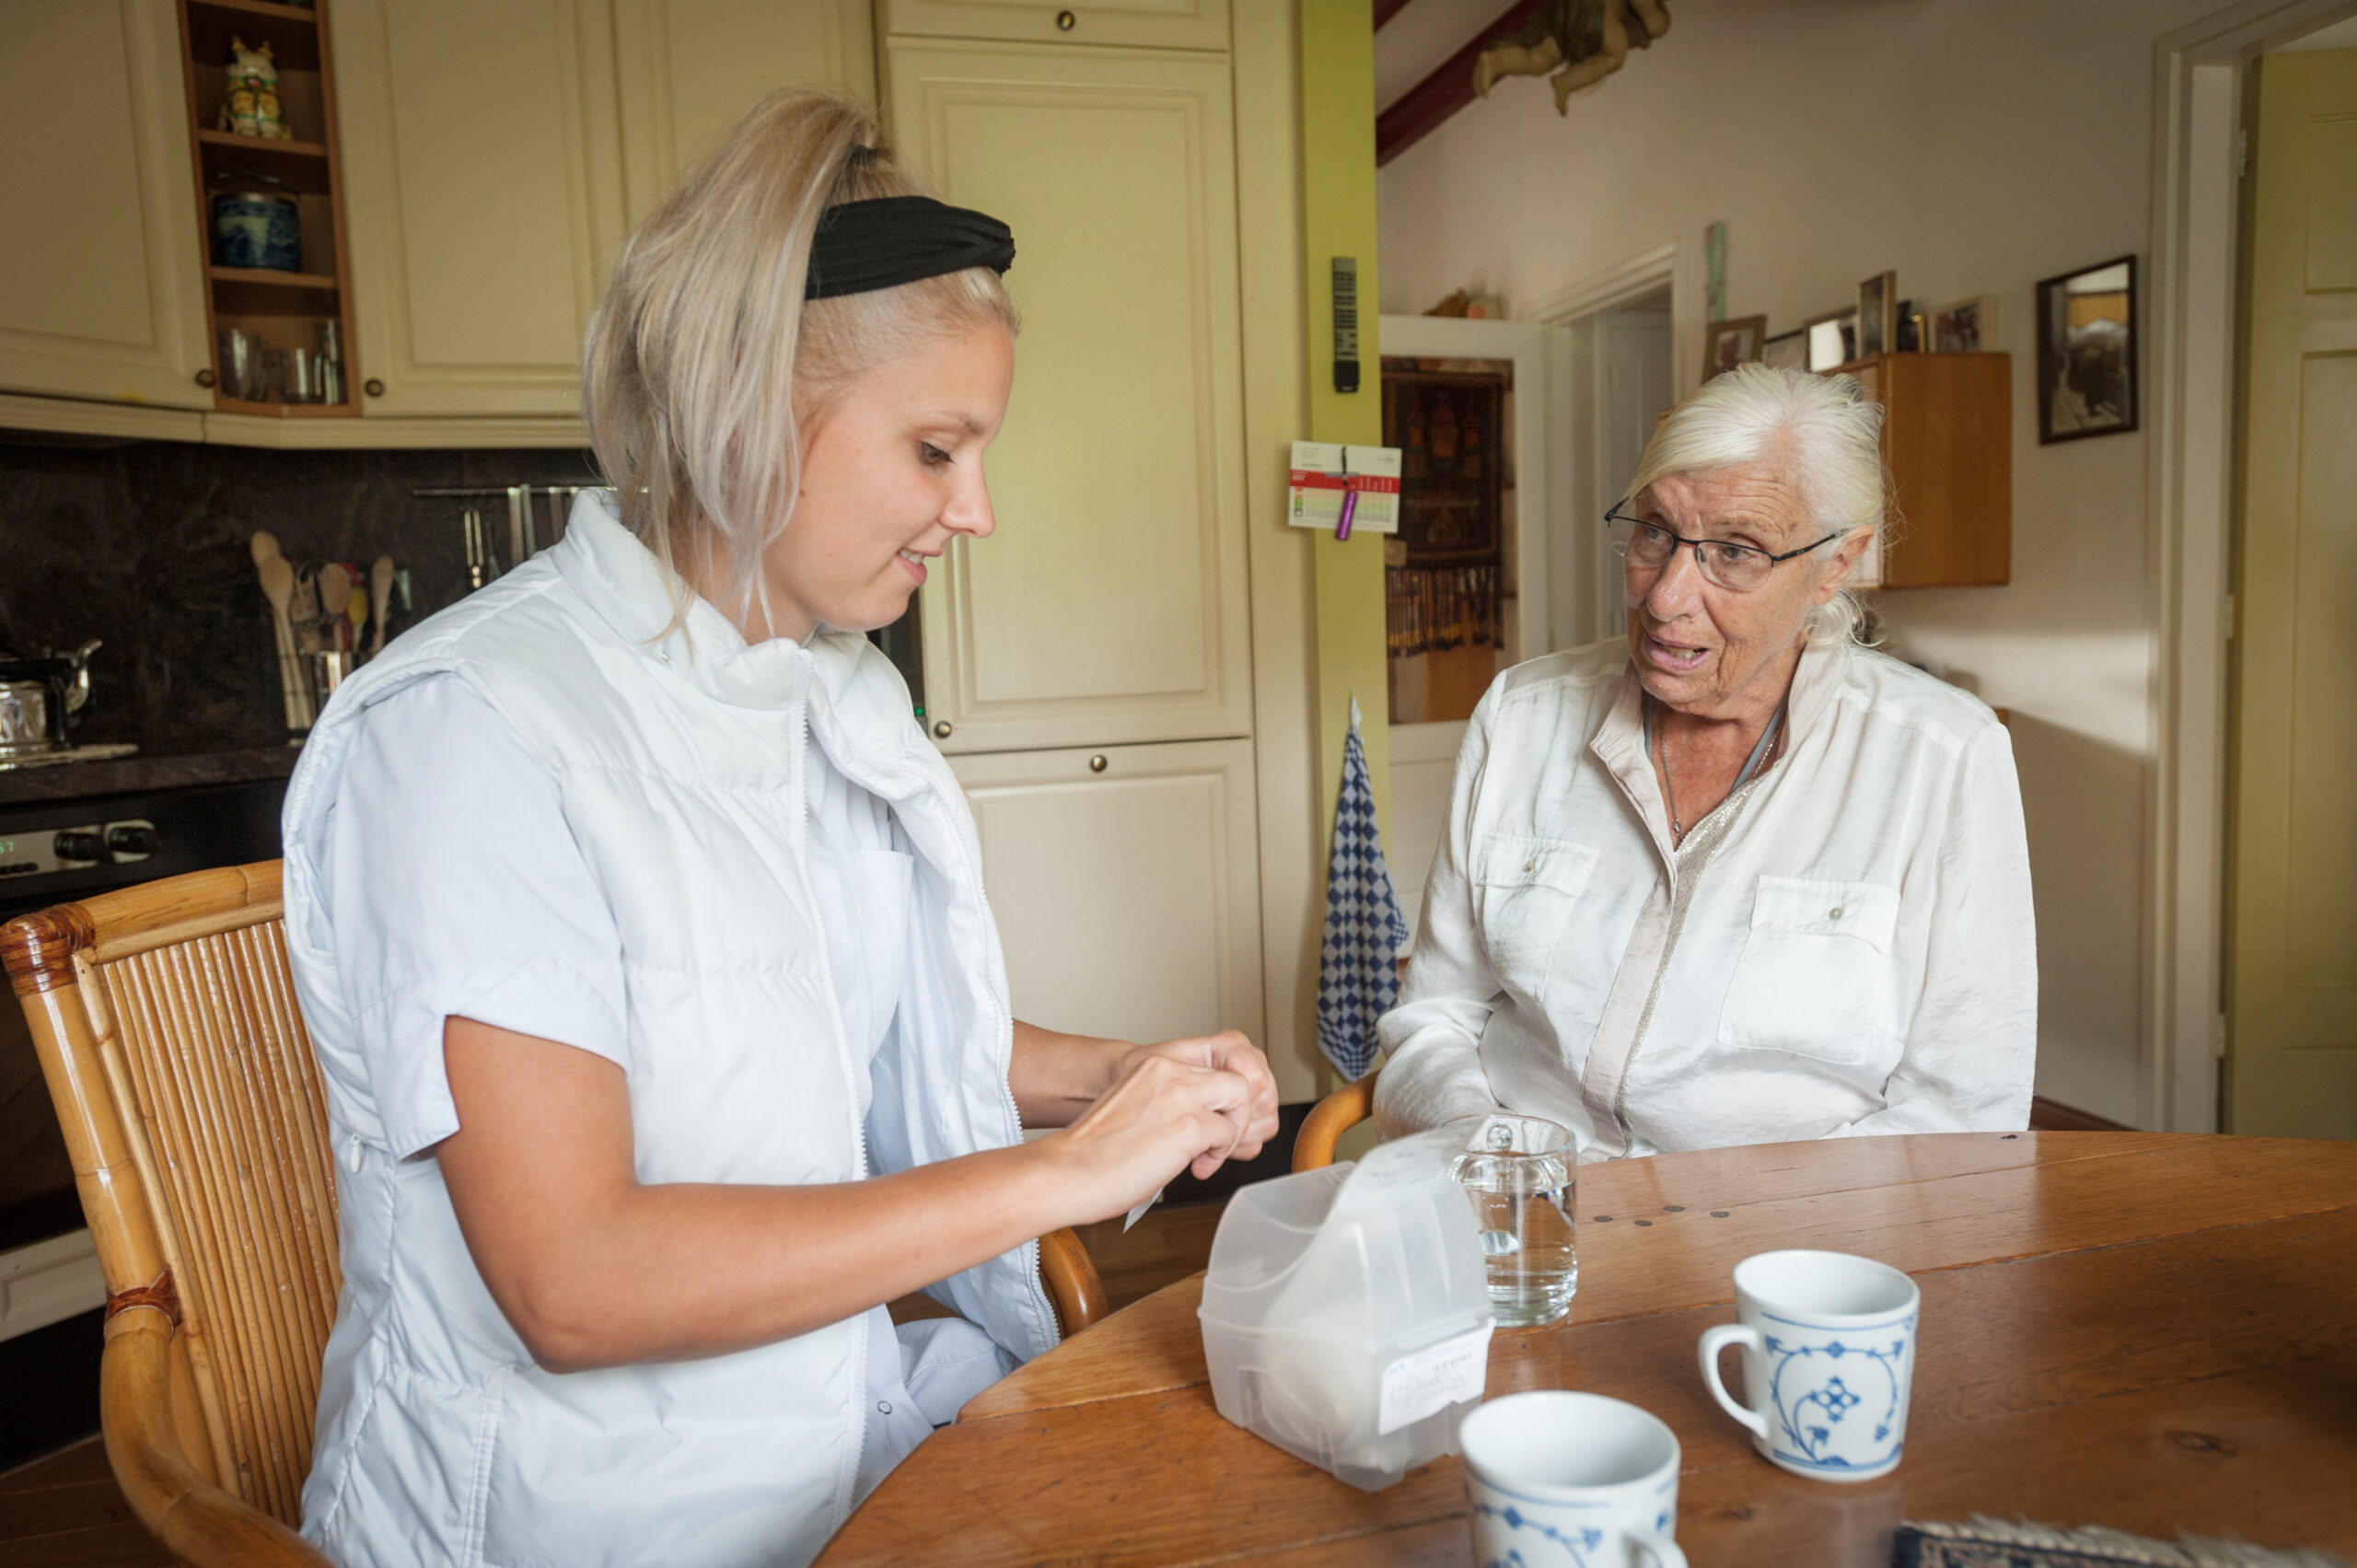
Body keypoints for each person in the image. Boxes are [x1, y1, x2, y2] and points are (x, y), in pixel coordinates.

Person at [279, 91, 1277, 1568]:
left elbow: (807, 1013)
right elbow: (574, 1280)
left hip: (820, 1449)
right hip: (571, 1514)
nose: (978, 509)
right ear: (750, 406)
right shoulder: (476, 730)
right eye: (936, 448)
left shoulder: (816, 692)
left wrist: (1115, 1079)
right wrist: (1067, 1172)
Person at [1375, 363, 2034, 1157]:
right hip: (1516, 1200)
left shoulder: (1943, 759)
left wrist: (1717, 1223)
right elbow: (1434, 1019)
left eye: (1734, 551)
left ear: (1837, 563)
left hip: (1790, 1228)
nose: (1664, 597)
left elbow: (1966, 1115)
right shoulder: (1521, 718)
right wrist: (1500, 1160)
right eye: (1655, 531)